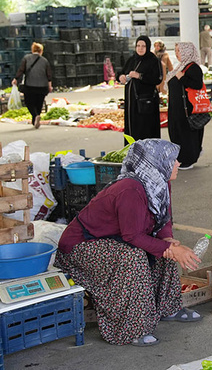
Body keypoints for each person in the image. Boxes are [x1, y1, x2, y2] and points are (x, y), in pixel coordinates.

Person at [56, 139, 202, 347]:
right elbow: (132, 237)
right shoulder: (130, 189)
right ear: (155, 163)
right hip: (82, 246)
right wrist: (168, 248)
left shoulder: (159, 182)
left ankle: (168, 308)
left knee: (167, 249)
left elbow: (164, 218)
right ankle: (132, 329)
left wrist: (168, 240)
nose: (178, 163)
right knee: (133, 256)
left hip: (116, 239)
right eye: (172, 160)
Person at [167, 42, 204, 170]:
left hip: (186, 110)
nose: (177, 54)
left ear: (187, 51)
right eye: (176, 51)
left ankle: (187, 159)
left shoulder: (193, 68)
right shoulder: (181, 67)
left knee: (185, 134)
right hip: (177, 110)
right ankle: (180, 158)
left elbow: (197, 84)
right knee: (177, 132)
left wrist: (182, 78)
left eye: (179, 51)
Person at [118, 36, 162, 143]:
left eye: (143, 46)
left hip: (146, 103)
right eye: (138, 46)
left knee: (145, 130)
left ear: (148, 47)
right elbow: (121, 72)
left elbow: (157, 78)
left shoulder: (153, 61)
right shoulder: (132, 59)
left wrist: (140, 76)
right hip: (131, 102)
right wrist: (120, 77)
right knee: (132, 128)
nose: (140, 48)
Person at [12, 42, 52, 129]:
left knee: (29, 102)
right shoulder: (45, 60)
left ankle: (35, 115)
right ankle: (36, 117)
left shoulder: (26, 58)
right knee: (39, 103)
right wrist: (49, 85)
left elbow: (21, 70)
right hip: (42, 86)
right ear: (41, 51)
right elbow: (48, 74)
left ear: (32, 50)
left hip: (30, 85)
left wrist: (16, 79)